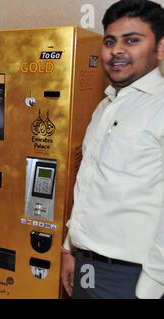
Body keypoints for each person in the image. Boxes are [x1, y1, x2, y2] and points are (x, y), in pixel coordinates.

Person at [61, 0, 164, 299]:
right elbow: (91, 186)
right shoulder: (105, 106)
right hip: (88, 263)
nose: (117, 50)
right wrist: (70, 248)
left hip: (132, 276)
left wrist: (151, 287)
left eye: (132, 40)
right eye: (110, 41)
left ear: (159, 48)